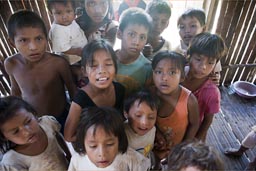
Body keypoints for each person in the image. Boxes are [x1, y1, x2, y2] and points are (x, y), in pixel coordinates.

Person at [4, 10, 77, 131]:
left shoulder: (58, 63)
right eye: (23, 40)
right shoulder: (12, 64)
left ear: (46, 38)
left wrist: (78, 115)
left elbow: (72, 88)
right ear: (12, 42)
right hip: (34, 120)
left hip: (62, 116)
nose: (33, 47)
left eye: (38, 38)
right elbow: (15, 91)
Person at [64, 39, 125, 142]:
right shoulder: (81, 99)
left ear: (115, 68)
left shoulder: (120, 90)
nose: (101, 70)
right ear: (84, 72)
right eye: (93, 65)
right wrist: (96, 140)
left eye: (108, 64)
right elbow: (68, 136)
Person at [150, 51, 200, 168]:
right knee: (154, 162)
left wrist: (184, 146)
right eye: (158, 72)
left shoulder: (189, 100)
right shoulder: (149, 94)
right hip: (152, 143)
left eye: (172, 72)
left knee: (174, 164)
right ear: (153, 74)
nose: (164, 78)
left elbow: (195, 123)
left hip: (176, 146)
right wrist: (156, 132)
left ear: (182, 76)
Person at [68, 106, 150, 171]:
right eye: (93, 146)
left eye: (109, 144)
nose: (102, 153)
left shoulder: (133, 160)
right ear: (83, 143)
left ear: (119, 140)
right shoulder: (77, 160)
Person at [0, 96, 71, 170]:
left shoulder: (47, 124)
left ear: (33, 114)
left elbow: (57, 136)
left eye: (28, 121)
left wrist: (69, 156)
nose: (27, 132)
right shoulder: (13, 161)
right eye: (16, 131)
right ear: (4, 137)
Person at [182, 32, 227, 141]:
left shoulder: (211, 92)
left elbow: (207, 120)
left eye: (210, 62)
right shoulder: (178, 75)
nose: (203, 67)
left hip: (192, 133)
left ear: (216, 64)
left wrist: (196, 140)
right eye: (198, 59)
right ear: (189, 56)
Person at [175, 8, 222, 86]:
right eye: (182, 27)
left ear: (203, 29)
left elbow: (216, 73)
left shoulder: (210, 50)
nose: (187, 30)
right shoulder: (177, 51)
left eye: (192, 26)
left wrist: (216, 78)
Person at [115, 7, 153, 97]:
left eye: (142, 37)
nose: (136, 42)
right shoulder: (107, 59)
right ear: (119, 34)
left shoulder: (148, 68)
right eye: (131, 34)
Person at [123, 89, 159, 162]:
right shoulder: (122, 134)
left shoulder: (152, 129)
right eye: (138, 115)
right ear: (126, 114)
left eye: (151, 117)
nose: (144, 123)